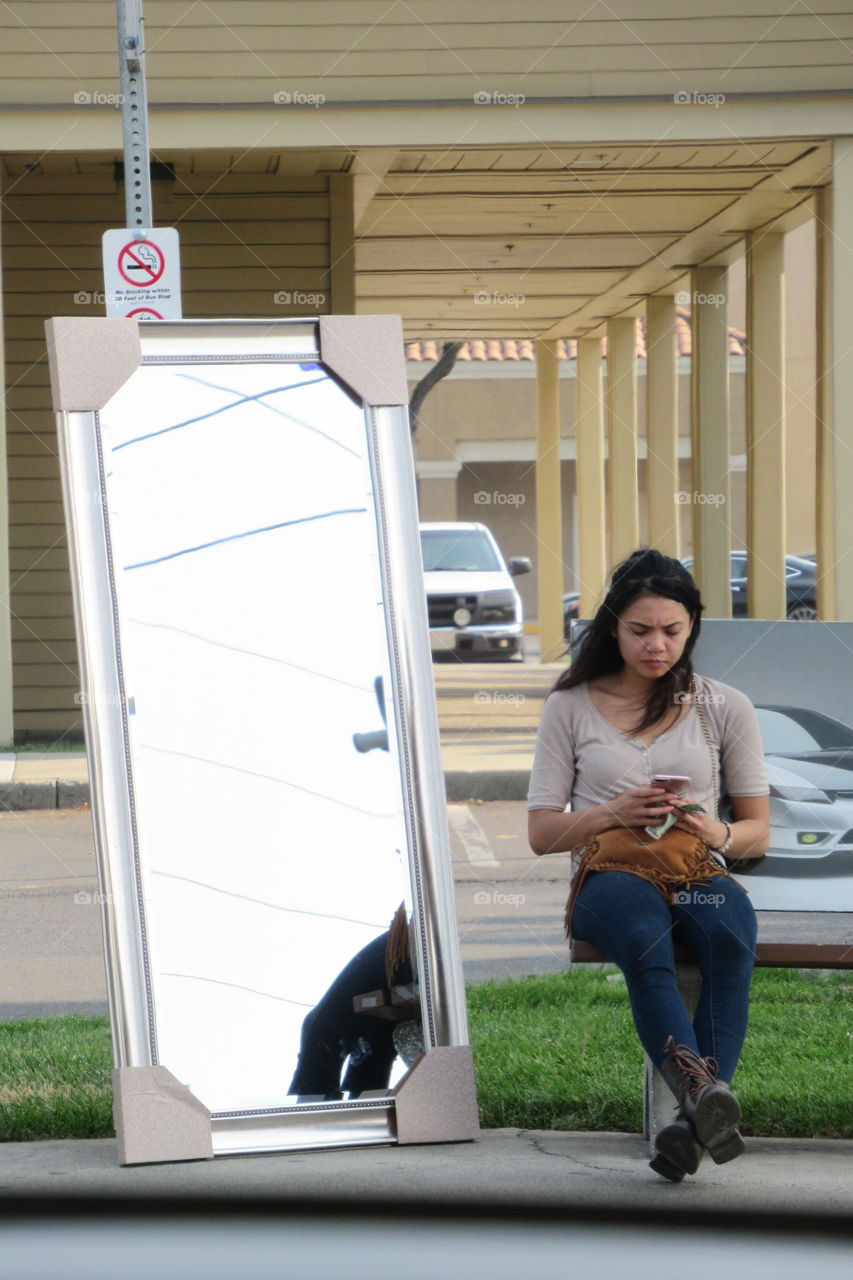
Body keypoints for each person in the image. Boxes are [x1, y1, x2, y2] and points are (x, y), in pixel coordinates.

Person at [527, 548, 770, 1181]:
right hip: (611, 873)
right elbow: (542, 834)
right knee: (644, 937)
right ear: (612, 626)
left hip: (695, 866)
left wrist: (712, 828)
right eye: (640, 630)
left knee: (728, 937)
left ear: (692, 626)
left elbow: (755, 834)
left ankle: (689, 1125)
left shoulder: (724, 706)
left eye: (672, 630)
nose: (656, 645)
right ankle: (701, 1096)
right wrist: (612, 812)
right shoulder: (571, 705)